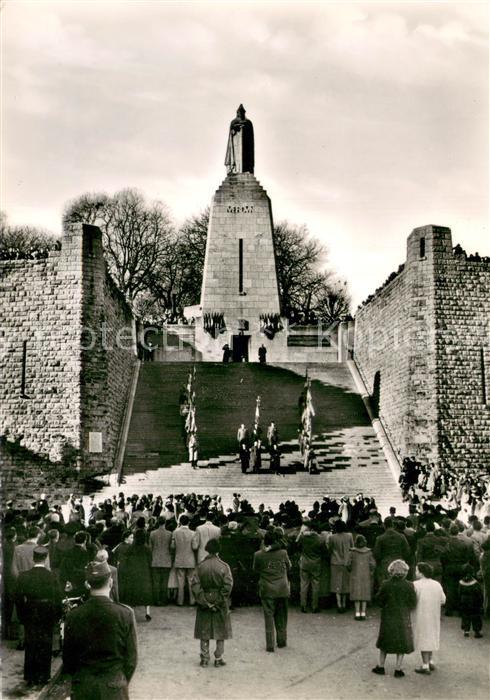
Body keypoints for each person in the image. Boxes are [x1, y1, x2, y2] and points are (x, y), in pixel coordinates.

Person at [63, 560, 138, 700]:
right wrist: (120, 681)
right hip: (114, 686)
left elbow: (68, 659)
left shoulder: (73, 615)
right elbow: (131, 659)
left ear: (87, 584)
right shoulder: (125, 613)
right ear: (110, 582)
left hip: (83, 686)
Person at [15, 546, 62, 687]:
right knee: (45, 643)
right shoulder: (52, 576)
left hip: (30, 610)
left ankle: (30, 676)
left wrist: (22, 616)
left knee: (31, 643)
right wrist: (57, 615)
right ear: (46, 558)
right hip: (47, 611)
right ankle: (43, 675)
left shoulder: (23, 576)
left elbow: (18, 598)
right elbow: (58, 598)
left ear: (33, 558)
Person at [191, 538, 233, 667]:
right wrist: (219, 601)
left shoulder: (200, 566)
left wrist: (204, 601)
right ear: (218, 550)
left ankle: (204, 658)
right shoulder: (224, 566)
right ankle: (218, 658)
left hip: (204, 597)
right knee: (221, 631)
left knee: (204, 631)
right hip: (220, 601)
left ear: (207, 549)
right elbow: (228, 586)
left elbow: (195, 585)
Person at [372, 559, 416, 678]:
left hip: (388, 616)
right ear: (405, 572)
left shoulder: (386, 584)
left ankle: (381, 666)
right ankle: (398, 668)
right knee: (401, 641)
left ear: (391, 571)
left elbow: (379, 600)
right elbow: (413, 602)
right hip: (403, 616)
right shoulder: (409, 585)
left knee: (384, 641)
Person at [253, 530, 291, 652]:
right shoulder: (283, 553)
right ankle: (282, 641)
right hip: (282, 588)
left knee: (268, 616)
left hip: (267, 588)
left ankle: (270, 644)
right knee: (282, 616)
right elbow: (289, 566)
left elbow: (255, 569)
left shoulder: (258, 554)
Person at [411, 562, 446, 674]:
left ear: (421, 572)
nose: (416, 573)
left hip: (421, 614)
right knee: (431, 636)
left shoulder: (415, 584)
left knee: (423, 638)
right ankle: (430, 661)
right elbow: (443, 600)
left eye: (417, 570)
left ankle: (425, 665)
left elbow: (411, 600)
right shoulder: (437, 584)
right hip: (434, 614)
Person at [118, 529, 153, 621]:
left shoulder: (130, 548)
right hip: (144, 572)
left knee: (132, 593)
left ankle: (132, 613)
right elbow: (150, 561)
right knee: (146, 593)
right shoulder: (147, 548)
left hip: (132, 572)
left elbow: (126, 561)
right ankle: (147, 612)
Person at [297, 520, 324, 613]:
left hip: (304, 563)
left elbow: (297, 545)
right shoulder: (320, 539)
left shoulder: (303, 537)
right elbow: (324, 551)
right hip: (316, 563)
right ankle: (314, 606)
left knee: (304, 585)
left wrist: (301, 533)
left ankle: (303, 605)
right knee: (315, 585)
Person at [347, 534, 376, 620]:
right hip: (366, 575)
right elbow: (373, 564)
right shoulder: (369, 552)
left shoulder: (352, 552)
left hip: (355, 574)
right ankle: (363, 613)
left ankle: (357, 613)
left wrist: (350, 570)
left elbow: (348, 564)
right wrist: (371, 572)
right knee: (364, 594)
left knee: (357, 594)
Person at [171, 514, 197, 606]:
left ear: (180, 522)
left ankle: (180, 601)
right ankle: (192, 600)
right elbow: (194, 547)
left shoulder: (175, 532)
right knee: (191, 581)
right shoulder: (193, 533)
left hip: (179, 559)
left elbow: (172, 546)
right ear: (188, 522)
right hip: (190, 559)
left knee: (180, 581)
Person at [329, 520, 354, 613]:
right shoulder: (349, 536)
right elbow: (352, 548)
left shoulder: (332, 537)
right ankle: (344, 603)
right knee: (345, 584)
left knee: (337, 584)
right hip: (346, 562)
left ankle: (339, 604)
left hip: (335, 562)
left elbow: (330, 549)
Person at [149, 517, 173, 606]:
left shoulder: (152, 533)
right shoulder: (170, 534)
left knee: (156, 581)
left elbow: (150, 548)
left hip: (155, 559)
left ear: (157, 523)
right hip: (166, 560)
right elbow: (172, 547)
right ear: (165, 523)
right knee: (164, 581)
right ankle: (163, 600)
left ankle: (156, 600)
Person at [458, 563, 484, 638]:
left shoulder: (461, 583)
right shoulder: (475, 583)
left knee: (465, 616)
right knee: (476, 616)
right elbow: (479, 594)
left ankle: (466, 630)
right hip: (474, 602)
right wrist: (480, 603)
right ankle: (477, 631)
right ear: (472, 572)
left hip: (464, 601)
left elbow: (459, 593)